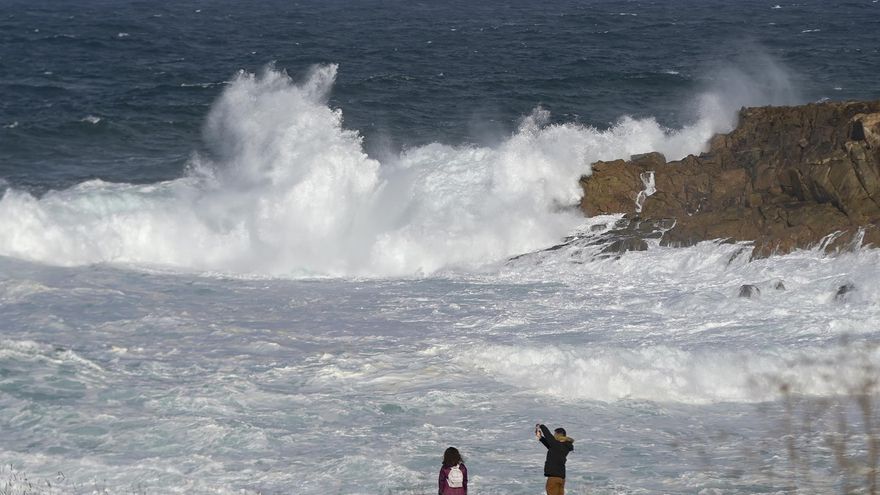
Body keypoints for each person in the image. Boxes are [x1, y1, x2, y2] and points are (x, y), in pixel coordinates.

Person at [536, 423, 574, 495]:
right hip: (561, 478)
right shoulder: (565, 446)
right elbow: (551, 446)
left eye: (555, 434)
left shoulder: (556, 445)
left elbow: (548, 436)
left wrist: (541, 426)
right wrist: (541, 438)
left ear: (558, 435)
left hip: (553, 478)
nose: (554, 436)